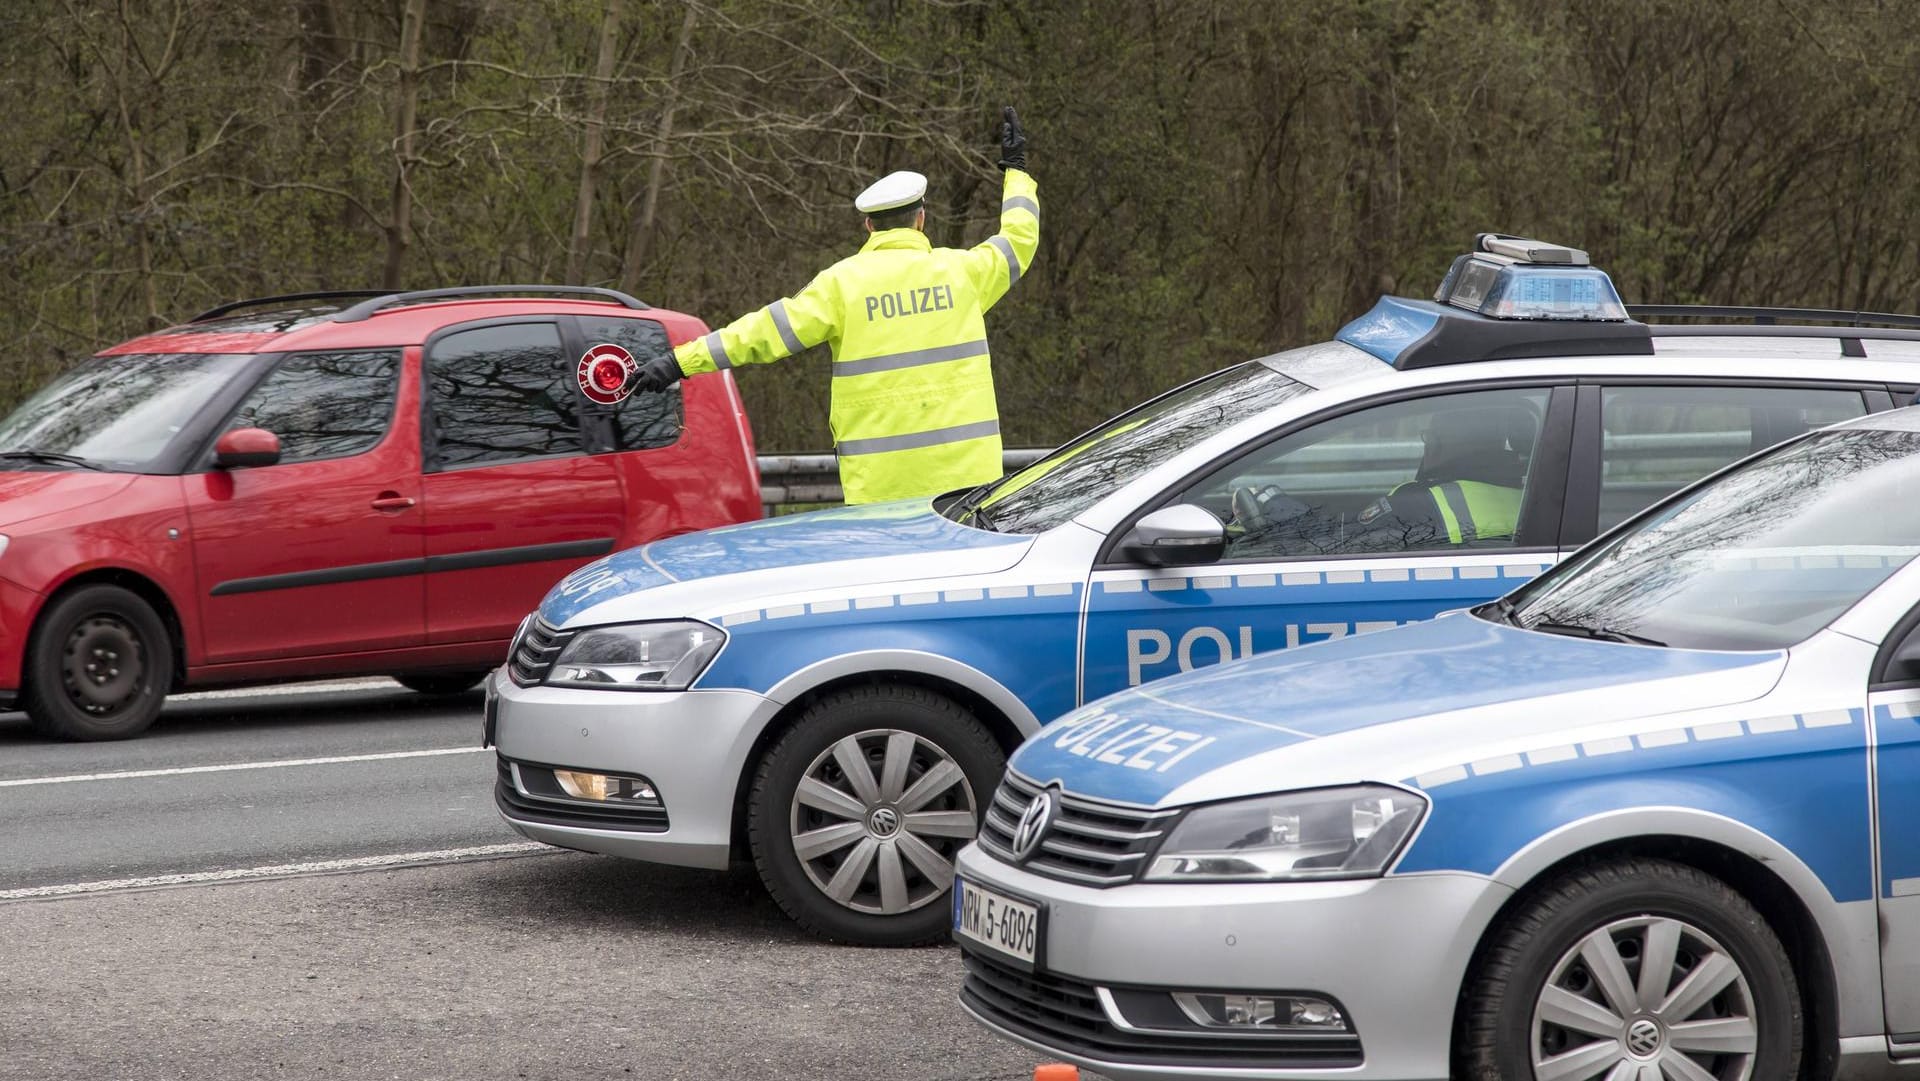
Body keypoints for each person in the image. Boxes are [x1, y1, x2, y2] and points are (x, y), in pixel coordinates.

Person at [631, 106, 1040, 505]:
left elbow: (758, 336)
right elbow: (1019, 240)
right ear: (921, 219)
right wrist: (1016, 171)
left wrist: (678, 362)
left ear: (868, 225)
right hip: (967, 491)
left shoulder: (841, 285)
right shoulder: (964, 273)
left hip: (879, 494)